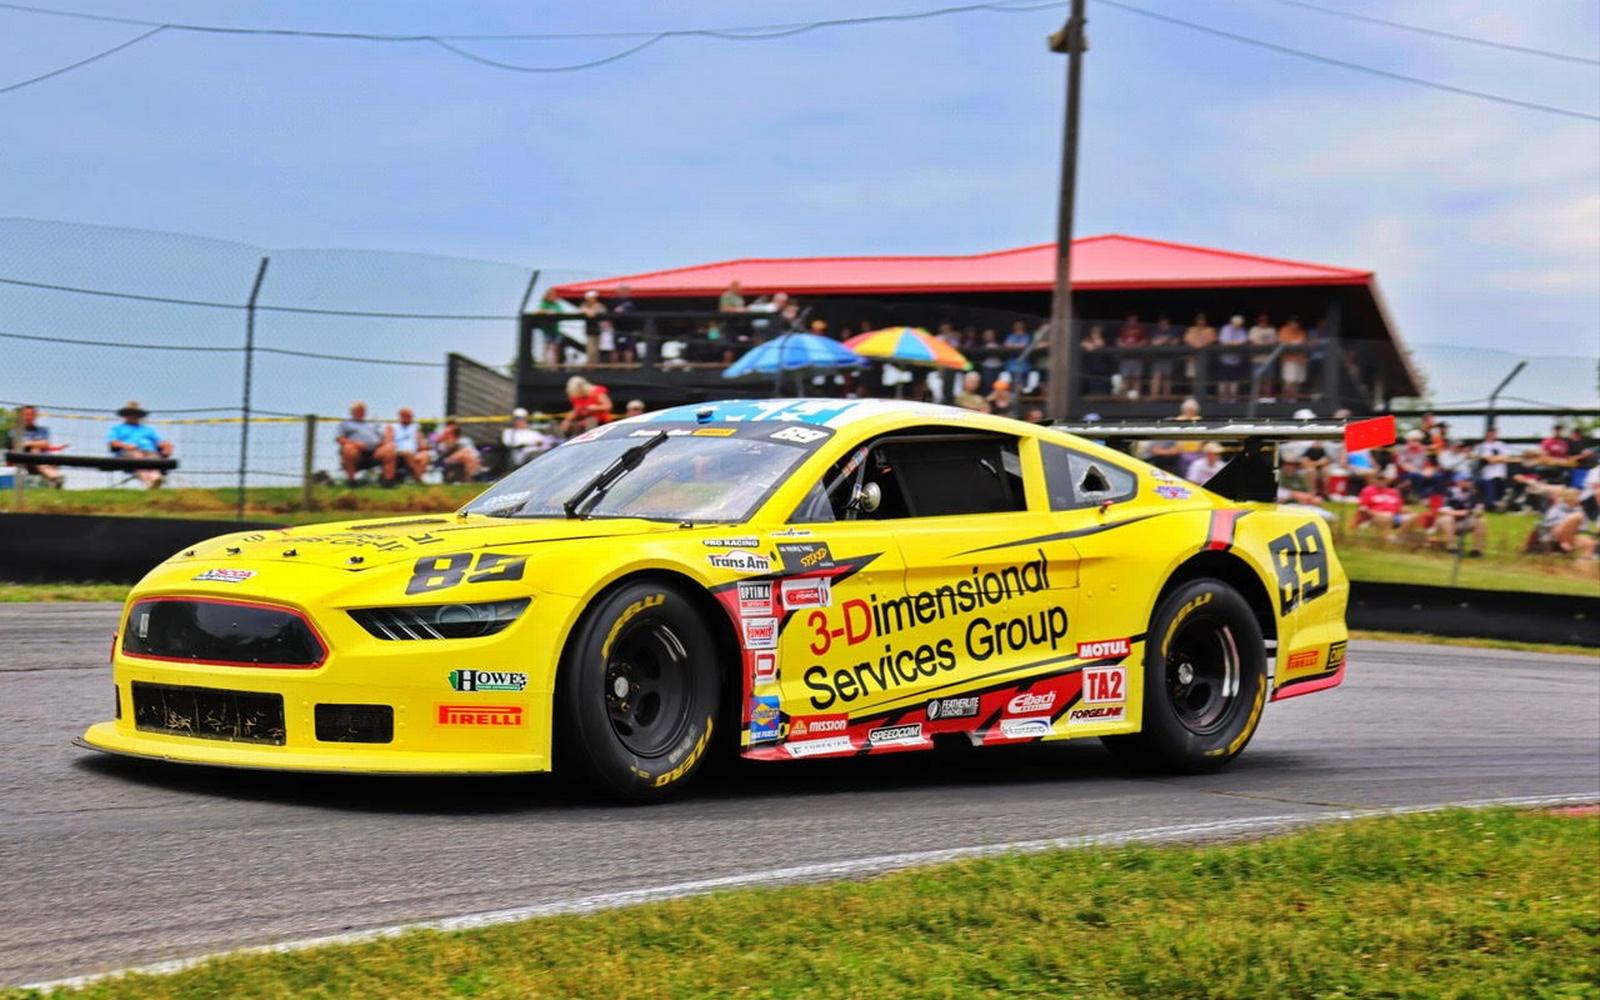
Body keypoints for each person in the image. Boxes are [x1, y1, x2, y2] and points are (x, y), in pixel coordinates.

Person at [107, 400, 174, 488]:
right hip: (128, 453)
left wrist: (166, 446)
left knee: (152, 458)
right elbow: (113, 443)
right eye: (130, 414)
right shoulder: (117, 429)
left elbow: (159, 442)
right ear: (125, 415)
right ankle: (153, 481)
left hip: (150, 452)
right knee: (138, 458)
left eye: (135, 414)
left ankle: (155, 481)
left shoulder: (148, 429)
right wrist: (126, 446)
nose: (133, 416)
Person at [335, 401, 395, 486]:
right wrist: (354, 444)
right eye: (358, 410)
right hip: (357, 452)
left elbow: (383, 437)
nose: (361, 412)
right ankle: (351, 482)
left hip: (374, 452)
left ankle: (388, 482)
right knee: (347, 448)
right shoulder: (345, 424)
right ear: (352, 412)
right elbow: (340, 438)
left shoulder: (372, 424)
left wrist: (385, 441)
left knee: (389, 448)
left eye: (363, 410)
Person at [1435, 477, 1486, 557]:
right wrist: (1465, 512)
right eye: (1465, 480)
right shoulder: (1449, 492)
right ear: (1458, 481)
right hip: (1444, 523)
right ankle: (1452, 548)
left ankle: (1477, 550)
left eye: (1470, 481)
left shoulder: (1475, 494)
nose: (1468, 483)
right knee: (1448, 519)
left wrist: (1467, 513)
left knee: (1481, 521)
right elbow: (1443, 511)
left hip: (1463, 522)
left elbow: (1480, 512)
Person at [14, 405, 63, 487]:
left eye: (30, 414)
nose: (28, 417)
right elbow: (15, 446)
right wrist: (35, 445)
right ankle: (55, 478)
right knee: (35, 450)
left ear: (35, 416)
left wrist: (28, 443)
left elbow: (45, 443)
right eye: (25, 414)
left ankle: (54, 480)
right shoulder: (15, 431)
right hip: (24, 461)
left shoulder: (43, 430)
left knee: (38, 452)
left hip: (44, 460)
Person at [1354, 472, 1410, 540]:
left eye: (1383, 479)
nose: (1381, 481)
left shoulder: (1393, 492)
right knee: (1387, 516)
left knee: (1414, 517)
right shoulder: (1368, 490)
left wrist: (1408, 512)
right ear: (1374, 480)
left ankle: (1397, 536)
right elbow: (1363, 508)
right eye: (1378, 479)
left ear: (1387, 481)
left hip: (1394, 516)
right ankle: (1386, 538)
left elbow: (1400, 507)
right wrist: (1375, 514)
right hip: (1375, 516)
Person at [386, 407, 430, 482]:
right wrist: (392, 446)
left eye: (411, 416)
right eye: (408, 416)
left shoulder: (415, 429)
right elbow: (388, 441)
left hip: (414, 453)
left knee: (424, 455)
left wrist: (423, 446)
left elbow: (421, 443)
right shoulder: (392, 427)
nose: (411, 418)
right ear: (401, 416)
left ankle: (418, 477)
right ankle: (419, 479)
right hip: (398, 453)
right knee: (407, 453)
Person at [1181, 313, 1216, 399]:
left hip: (1205, 359)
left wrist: (1201, 344)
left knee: (1205, 376)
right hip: (1193, 358)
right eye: (1199, 320)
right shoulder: (1191, 329)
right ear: (1196, 321)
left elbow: (1212, 340)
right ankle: (1194, 394)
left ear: (1205, 321)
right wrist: (1197, 345)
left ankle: (1203, 394)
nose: (1201, 322)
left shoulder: (1210, 330)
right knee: (1192, 377)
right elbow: (1187, 340)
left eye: (1202, 320)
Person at [1215, 315, 1249, 402]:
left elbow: (1243, 341)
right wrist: (1235, 343)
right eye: (1236, 324)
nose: (1238, 326)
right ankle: (1222, 401)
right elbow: (1224, 341)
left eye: (1239, 324)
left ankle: (1232, 402)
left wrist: (1232, 343)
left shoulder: (1242, 330)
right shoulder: (1226, 329)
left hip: (1236, 362)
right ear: (1232, 322)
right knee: (1223, 383)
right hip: (1224, 361)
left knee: (1234, 384)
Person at [1474, 428, 1510, 510]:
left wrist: (1494, 459)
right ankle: (1491, 506)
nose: (1493, 435)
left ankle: (1498, 507)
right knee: (1490, 494)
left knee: (1500, 493)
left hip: (1500, 473)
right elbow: (1488, 459)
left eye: (1495, 433)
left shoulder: (1501, 444)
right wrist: (1498, 458)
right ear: (1487, 434)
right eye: (1491, 433)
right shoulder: (1482, 446)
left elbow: (1506, 458)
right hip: (1488, 474)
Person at [1147, 315, 1180, 399]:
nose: (1163, 323)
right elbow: (1154, 343)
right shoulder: (1155, 331)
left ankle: (1166, 397)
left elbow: (1175, 342)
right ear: (1159, 323)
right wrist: (1165, 340)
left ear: (1167, 322)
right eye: (1161, 322)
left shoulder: (1173, 330)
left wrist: (1163, 341)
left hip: (1169, 357)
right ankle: (1153, 397)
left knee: (1167, 377)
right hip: (1158, 357)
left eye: (1164, 322)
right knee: (1156, 376)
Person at [1277, 316, 1309, 401]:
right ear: (1289, 323)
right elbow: (1282, 344)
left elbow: (1305, 345)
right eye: (1293, 322)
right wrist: (1294, 344)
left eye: (1296, 323)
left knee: (1297, 381)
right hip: (1289, 360)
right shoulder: (1284, 330)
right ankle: (1285, 400)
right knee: (1289, 381)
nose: (1295, 324)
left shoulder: (1301, 332)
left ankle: (1294, 400)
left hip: (1300, 360)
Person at [1115, 313, 1145, 398]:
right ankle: (1124, 396)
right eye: (1131, 320)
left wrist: (1134, 346)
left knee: (1136, 378)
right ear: (1128, 320)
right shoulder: (1123, 329)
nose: (1132, 321)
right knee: (1125, 377)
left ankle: (1136, 396)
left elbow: (1144, 342)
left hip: (1136, 357)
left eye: (1134, 320)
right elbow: (1118, 342)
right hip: (1125, 357)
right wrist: (1125, 346)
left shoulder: (1140, 329)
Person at [1247, 313, 1278, 396]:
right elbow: (1252, 342)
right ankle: (1256, 400)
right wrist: (1263, 345)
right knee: (1257, 381)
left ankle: (1267, 399)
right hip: (1257, 360)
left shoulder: (1271, 330)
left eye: (1265, 320)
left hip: (1268, 360)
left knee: (1268, 381)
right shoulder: (1254, 329)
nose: (1263, 322)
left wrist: (1263, 344)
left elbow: (1274, 343)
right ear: (1258, 321)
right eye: (1261, 320)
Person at [1080, 325, 1113, 396]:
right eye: (1093, 333)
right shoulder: (1088, 340)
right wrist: (1088, 344)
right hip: (1091, 371)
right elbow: (1082, 343)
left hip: (1102, 370)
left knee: (1102, 390)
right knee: (1091, 388)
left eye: (1096, 333)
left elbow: (1099, 344)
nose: (1095, 334)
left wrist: (1092, 345)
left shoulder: (1103, 340)